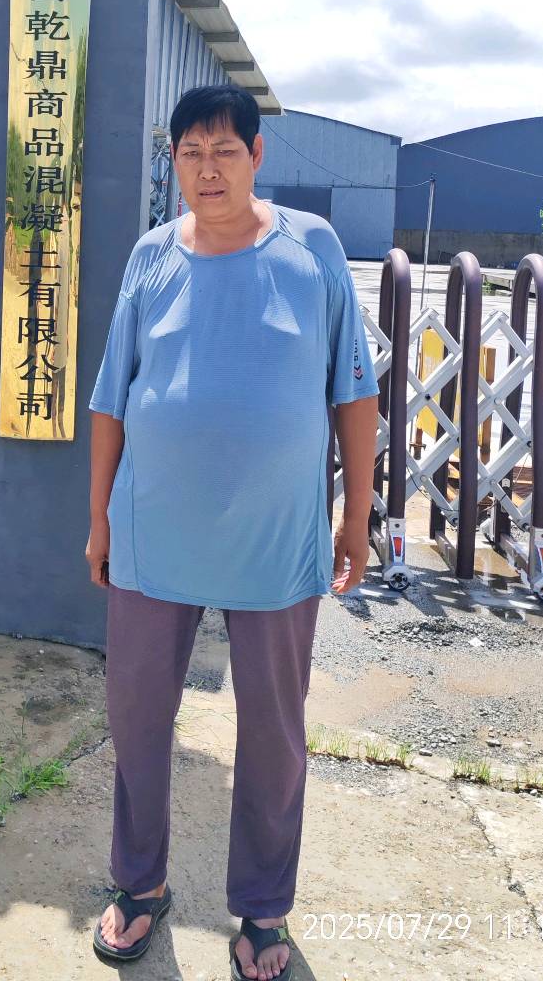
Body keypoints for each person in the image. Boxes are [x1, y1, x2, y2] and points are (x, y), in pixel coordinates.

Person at [86, 84, 379, 980]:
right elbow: (111, 398)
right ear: (173, 162)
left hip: (277, 537)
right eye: (190, 152)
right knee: (137, 715)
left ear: (257, 155)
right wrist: (97, 519)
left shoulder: (313, 247)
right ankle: (139, 884)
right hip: (152, 530)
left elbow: (354, 392)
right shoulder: (150, 255)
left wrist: (356, 516)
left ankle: (262, 908)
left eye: (224, 150)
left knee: (275, 733)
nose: (206, 168)